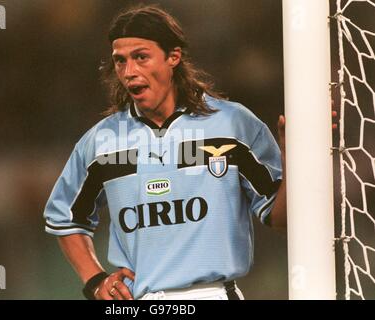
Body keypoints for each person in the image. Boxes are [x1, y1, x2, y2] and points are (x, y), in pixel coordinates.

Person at [43, 5, 287, 300]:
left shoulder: (233, 124)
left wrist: (294, 160)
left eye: (141, 57)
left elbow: (280, 218)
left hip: (211, 294)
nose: (129, 72)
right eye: (120, 61)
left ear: (174, 56)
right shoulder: (102, 141)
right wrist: (95, 280)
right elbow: (65, 217)